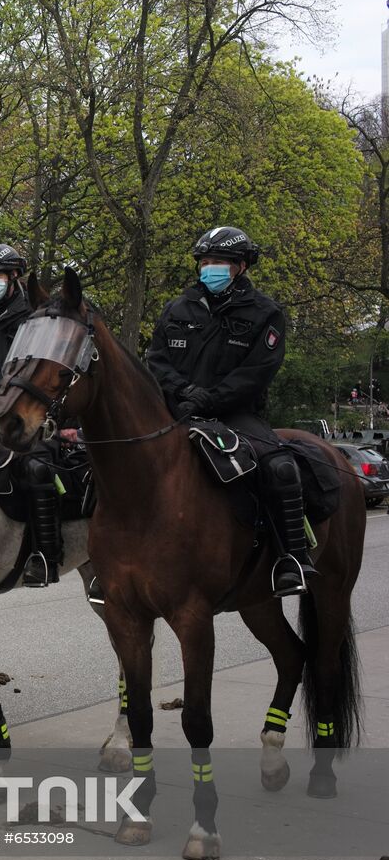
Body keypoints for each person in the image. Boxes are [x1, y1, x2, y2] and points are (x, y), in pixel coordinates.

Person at [146, 225, 309, 596]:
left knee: (279, 466)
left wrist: (210, 398)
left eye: (218, 262)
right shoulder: (177, 307)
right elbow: (156, 359)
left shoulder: (266, 313)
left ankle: (292, 558)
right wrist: (183, 391)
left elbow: (256, 373)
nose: (209, 268)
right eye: (205, 262)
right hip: (176, 410)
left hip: (235, 414)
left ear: (240, 266)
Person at [0, 243, 71, 586]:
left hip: (30, 420)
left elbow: (52, 373)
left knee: (36, 468)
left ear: (14, 276)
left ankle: (46, 556)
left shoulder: (36, 318)